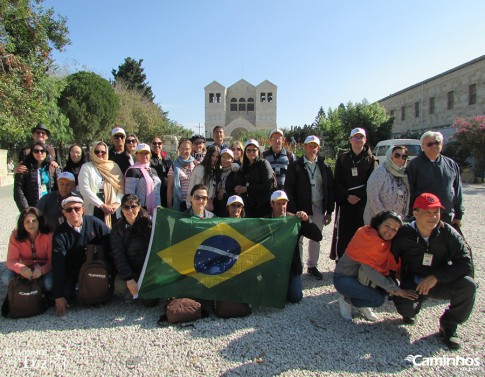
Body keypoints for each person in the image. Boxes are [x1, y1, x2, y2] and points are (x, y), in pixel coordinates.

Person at [391, 193, 476, 350]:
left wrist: (436, 277)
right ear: (415, 213)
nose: (433, 217)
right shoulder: (404, 233)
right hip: (413, 282)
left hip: (438, 281)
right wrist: (393, 288)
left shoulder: (448, 233)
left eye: (436, 212)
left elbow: (465, 264)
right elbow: (388, 260)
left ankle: (448, 325)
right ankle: (410, 309)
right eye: (427, 212)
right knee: (407, 310)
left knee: (468, 285)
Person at [334, 211, 418, 321]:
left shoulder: (386, 243)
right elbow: (370, 270)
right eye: (387, 226)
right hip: (344, 278)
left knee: (383, 292)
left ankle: (360, 304)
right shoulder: (367, 237)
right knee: (377, 299)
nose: (389, 231)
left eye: (394, 229)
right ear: (379, 223)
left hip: (362, 279)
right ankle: (346, 300)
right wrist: (396, 289)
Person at [52, 196, 111, 317]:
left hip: (94, 268)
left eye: (77, 208)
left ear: (83, 209)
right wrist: (58, 296)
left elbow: (111, 242)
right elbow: (58, 264)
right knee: (66, 293)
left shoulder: (94, 222)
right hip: (72, 271)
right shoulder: (60, 234)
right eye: (69, 210)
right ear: (64, 213)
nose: (73, 212)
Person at [285, 135, 334, 280]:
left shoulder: (324, 167)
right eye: (309, 146)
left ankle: (312, 266)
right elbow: (289, 188)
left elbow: (330, 189)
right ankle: (297, 265)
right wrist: (293, 210)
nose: (312, 149)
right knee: (298, 238)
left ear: (318, 148)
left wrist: (329, 211)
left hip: (318, 206)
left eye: (315, 146)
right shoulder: (295, 165)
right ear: (304, 147)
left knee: (315, 237)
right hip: (301, 208)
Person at [330, 128, 377, 261]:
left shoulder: (372, 160)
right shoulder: (342, 159)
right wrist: (346, 196)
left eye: (360, 137)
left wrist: (360, 197)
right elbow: (337, 181)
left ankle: (360, 262)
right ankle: (342, 261)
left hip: (363, 203)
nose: (358, 140)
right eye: (355, 137)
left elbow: (372, 182)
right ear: (350, 140)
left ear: (365, 140)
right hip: (346, 203)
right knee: (344, 233)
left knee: (361, 233)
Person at [267, 190, 322, 303]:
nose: (282, 206)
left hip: (291, 265)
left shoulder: (294, 221)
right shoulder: (265, 221)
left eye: (284, 203)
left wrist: (307, 220)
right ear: (271, 204)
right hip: (271, 265)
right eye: (278, 203)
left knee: (295, 297)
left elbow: (318, 236)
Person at [406, 131, 463, 226]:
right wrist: (412, 214)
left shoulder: (451, 164)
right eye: (429, 144)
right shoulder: (414, 165)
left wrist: (459, 215)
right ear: (422, 146)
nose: (434, 146)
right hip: (423, 216)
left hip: (446, 215)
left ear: (442, 144)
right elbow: (409, 191)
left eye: (437, 143)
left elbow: (458, 190)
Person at [111, 194, 156, 306]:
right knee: (120, 285)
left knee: (150, 302)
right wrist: (129, 278)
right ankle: (132, 291)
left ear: (139, 207)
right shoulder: (118, 228)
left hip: (148, 270)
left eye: (133, 207)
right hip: (131, 270)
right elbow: (118, 255)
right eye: (126, 207)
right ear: (122, 209)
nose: (130, 210)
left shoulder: (150, 223)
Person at [2, 207, 53, 292]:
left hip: (44, 268)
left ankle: (39, 294)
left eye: (34, 221)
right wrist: (21, 268)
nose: (31, 224)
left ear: (39, 221)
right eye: (27, 222)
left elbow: (52, 261)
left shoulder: (48, 235)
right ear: (22, 224)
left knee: (49, 284)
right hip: (25, 268)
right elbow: (11, 260)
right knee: (6, 278)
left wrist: (42, 270)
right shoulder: (16, 235)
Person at [78, 141, 124, 228]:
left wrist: (116, 203)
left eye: (103, 152)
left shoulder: (114, 166)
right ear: (92, 152)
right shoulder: (87, 167)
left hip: (112, 208)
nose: (100, 154)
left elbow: (121, 187)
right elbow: (84, 189)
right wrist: (101, 205)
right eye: (97, 151)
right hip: (95, 206)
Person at [363, 146, 410, 224]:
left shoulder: (403, 175)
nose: (400, 159)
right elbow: (372, 194)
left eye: (404, 156)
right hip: (378, 221)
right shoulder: (381, 171)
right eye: (397, 155)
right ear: (390, 155)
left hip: (396, 223)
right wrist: (384, 217)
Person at [235, 139, 274, 218]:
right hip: (250, 208)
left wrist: (247, 189)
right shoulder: (245, 167)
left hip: (264, 207)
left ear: (258, 151)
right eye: (248, 150)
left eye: (254, 150)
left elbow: (268, 185)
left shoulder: (263, 163)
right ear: (245, 152)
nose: (251, 153)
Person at [14, 141, 56, 211]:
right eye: (36, 151)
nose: (39, 153)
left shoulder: (52, 167)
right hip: (33, 208)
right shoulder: (24, 168)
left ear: (46, 153)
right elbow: (18, 191)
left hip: (49, 207)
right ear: (32, 153)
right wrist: (26, 210)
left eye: (42, 151)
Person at [125, 143, 161, 215]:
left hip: (156, 211)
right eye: (141, 153)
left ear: (150, 155)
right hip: (140, 212)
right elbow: (129, 196)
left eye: (146, 153)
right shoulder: (133, 171)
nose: (144, 155)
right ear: (136, 155)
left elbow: (157, 192)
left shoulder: (153, 170)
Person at [186, 145, 220, 212]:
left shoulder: (214, 170)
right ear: (208, 155)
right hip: (197, 207)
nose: (215, 159)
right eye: (213, 156)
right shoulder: (200, 169)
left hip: (208, 208)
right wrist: (191, 208)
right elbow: (193, 190)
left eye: (217, 157)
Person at [167, 138, 197, 211]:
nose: (184, 151)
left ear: (191, 149)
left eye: (187, 149)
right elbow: (170, 188)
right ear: (178, 149)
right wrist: (169, 205)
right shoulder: (174, 166)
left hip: (194, 203)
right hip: (180, 204)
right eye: (182, 149)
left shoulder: (196, 164)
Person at [214, 148, 239, 216]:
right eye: (223, 157)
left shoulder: (236, 173)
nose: (226, 160)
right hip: (218, 206)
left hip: (231, 208)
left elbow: (239, 193)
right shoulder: (218, 172)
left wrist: (224, 195)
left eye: (228, 157)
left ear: (232, 159)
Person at [150, 136, 172, 207]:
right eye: (154, 143)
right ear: (151, 144)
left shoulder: (167, 157)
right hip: (156, 191)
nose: (157, 145)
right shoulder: (149, 158)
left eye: (159, 143)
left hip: (168, 190)